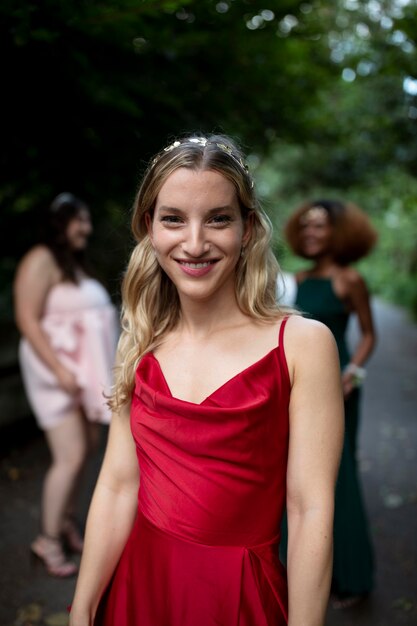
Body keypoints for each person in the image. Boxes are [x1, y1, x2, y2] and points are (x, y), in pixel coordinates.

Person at [69, 135, 344, 626]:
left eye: (218, 218)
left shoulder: (302, 344)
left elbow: (309, 509)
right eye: (174, 218)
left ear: (248, 228)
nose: (194, 243)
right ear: (149, 227)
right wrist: (83, 609)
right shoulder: (141, 340)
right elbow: (117, 484)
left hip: (237, 595)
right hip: (139, 585)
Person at [14, 193, 118, 578]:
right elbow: (27, 318)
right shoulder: (40, 258)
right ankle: (47, 540)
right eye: (81, 221)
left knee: (87, 448)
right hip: (57, 371)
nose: (87, 229)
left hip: (85, 374)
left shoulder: (72, 264)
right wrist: (58, 368)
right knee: (70, 455)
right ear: (61, 222)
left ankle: (66, 522)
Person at [283, 199, 377, 608]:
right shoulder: (295, 281)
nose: (311, 233)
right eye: (305, 227)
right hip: (299, 387)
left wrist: (351, 375)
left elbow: (369, 335)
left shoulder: (349, 280)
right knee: (296, 475)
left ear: (339, 232)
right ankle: (296, 572)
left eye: (319, 226)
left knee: (340, 474)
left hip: (340, 389)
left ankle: (353, 578)